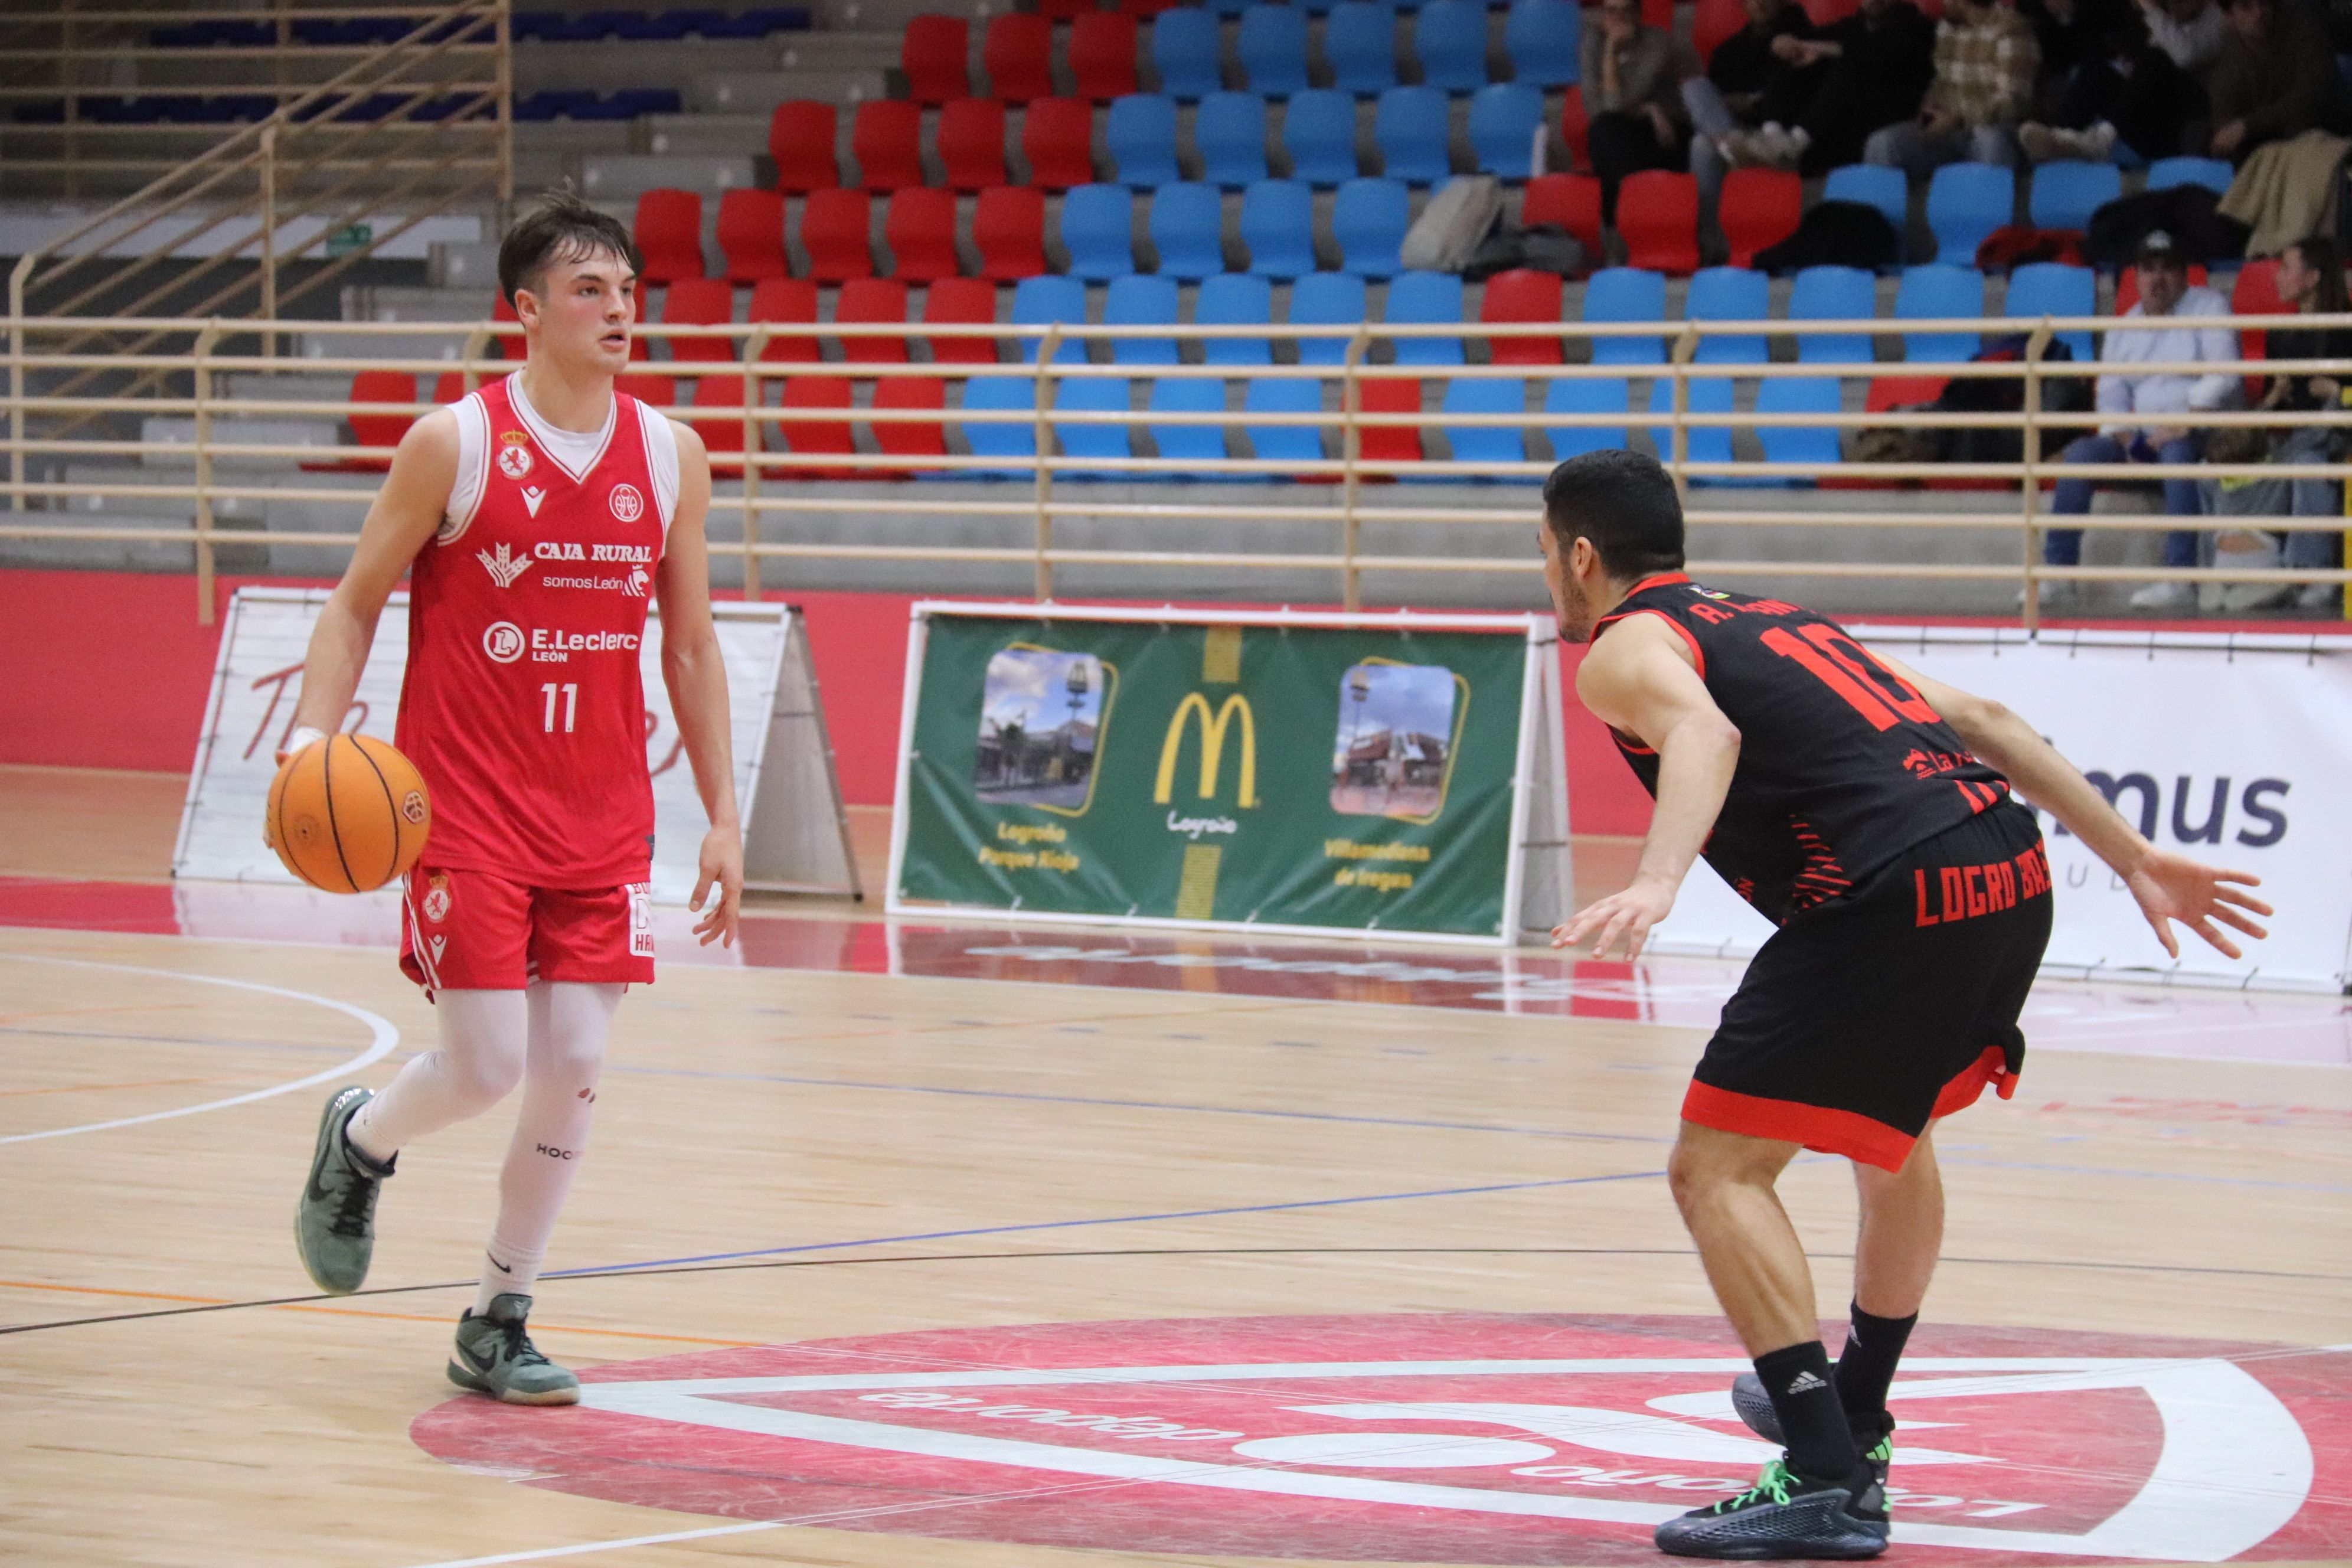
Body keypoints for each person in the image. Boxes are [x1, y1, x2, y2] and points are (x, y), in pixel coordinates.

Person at [1540, 447, 2269, 1558]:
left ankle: (1823, 1476)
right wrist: (2131, 857)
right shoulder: (1777, 619)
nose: (1548, 572)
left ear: (1582, 556)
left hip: (1890, 891)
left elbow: (1705, 734)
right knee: (1894, 1134)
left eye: (1545, 552)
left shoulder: (1622, 647)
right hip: (2004, 866)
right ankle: (1858, 1409)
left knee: (1714, 1168)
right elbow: (1984, 717)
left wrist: (1654, 879)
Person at [280, 191, 745, 1404]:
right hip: (469, 811)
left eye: (629, 291)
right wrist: (310, 741)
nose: (620, 311)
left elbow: (691, 646)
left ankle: (499, 1314)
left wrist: (723, 816)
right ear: (526, 310)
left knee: (574, 1062)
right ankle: (361, 1138)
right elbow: (353, 603)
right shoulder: (454, 443)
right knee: (486, 1065)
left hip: (601, 817)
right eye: (590, 291)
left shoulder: (672, 454)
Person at [2040, 228, 2240, 610]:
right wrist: (2125, 436)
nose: (2157, 279)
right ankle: (2058, 574)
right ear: (2136, 276)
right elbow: (2111, 393)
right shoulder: (2125, 325)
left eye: (2168, 268)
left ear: (2184, 274)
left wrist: (2180, 424)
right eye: (2149, 269)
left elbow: (2224, 376)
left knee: (2178, 454)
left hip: (2199, 431)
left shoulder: (2209, 306)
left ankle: (2181, 578)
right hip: (2144, 438)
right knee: (2080, 454)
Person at [2201, 234, 2352, 610]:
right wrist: (2273, 398)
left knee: (2308, 466)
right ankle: (2215, 571)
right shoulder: (2280, 332)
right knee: (2210, 467)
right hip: (2292, 439)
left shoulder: (2348, 328)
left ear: (2313, 278)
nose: (2276, 276)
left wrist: (2337, 391)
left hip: (2338, 439)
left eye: (2286, 268)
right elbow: (2272, 415)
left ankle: (2309, 574)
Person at [1708, 0, 1938, 174]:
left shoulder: (1918, 26)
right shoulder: (1852, 26)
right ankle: (1773, 136)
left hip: (1882, 121)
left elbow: (1877, 54)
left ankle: (1792, 145)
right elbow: (1807, 41)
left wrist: (1826, 49)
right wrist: (1789, 44)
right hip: (1837, 128)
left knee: (1847, 64)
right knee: (1796, 54)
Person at [1865, 0, 2041, 177]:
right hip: (1950, 130)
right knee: (1883, 143)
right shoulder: (1947, 27)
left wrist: (1957, 119)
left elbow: (2012, 102)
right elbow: (1941, 83)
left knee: (1990, 140)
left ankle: (1990, 194)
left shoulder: (2011, 28)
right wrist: (1930, 109)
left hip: (1995, 127)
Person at [2018, 10, 2209, 162]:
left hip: (2178, 113)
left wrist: (2151, 8)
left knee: (2154, 59)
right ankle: (2059, 141)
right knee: (2095, 71)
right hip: (2138, 103)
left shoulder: (2213, 17)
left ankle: (2099, 142)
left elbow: (2184, 57)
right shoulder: (2148, 15)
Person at [1684, 0, 1818, 210]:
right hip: (1736, 128)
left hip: (1779, 133)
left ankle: (1732, 148)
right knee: (1694, 88)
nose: (1761, 2)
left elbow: (1803, 90)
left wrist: (1753, 102)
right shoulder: (1728, 52)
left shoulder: (1800, 39)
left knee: (1701, 144)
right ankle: (1731, 147)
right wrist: (1726, 104)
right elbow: (1711, 104)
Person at [1582, 0, 1697, 225]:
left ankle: (1621, 222)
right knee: (1603, 129)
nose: (1619, 17)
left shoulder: (1657, 41)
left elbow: (1615, 105)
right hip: (1627, 131)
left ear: (1639, 13)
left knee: (1606, 132)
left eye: (1627, 10)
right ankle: (1633, 218)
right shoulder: (1593, 43)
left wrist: (1611, 52)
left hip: (1666, 135)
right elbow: (1596, 109)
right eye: (1612, 11)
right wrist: (1648, 109)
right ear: (1603, 15)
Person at [2207, 0, 2342, 161]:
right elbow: (2226, 132)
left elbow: (2313, 93)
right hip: (2268, 152)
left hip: (2324, 136)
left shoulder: (2303, 27)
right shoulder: (2226, 67)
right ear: (2229, 17)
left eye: (2264, 3)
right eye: (2246, 7)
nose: (2259, 13)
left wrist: (2248, 126)